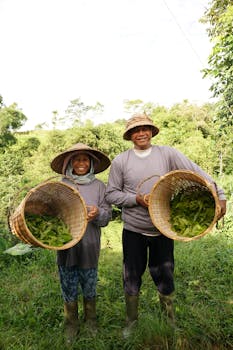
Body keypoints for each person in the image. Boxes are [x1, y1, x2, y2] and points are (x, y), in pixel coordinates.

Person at [105, 113, 227, 337]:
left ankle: (169, 320)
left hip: (163, 228)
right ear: (130, 135)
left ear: (151, 131)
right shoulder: (121, 161)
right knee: (131, 276)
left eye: (145, 128)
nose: (141, 133)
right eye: (136, 130)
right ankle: (131, 322)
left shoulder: (167, 154)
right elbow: (111, 194)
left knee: (165, 274)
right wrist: (136, 199)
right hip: (133, 229)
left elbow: (196, 171)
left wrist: (220, 195)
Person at [50, 143, 112, 344]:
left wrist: (97, 213)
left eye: (85, 159)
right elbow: (52, 215)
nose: (81, 163)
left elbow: (106, 217)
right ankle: (71, 323)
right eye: (76, 159)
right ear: (69, 163)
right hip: (67, 245)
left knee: (89, 284)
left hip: (89, 244)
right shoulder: (62, 185)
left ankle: (91, 320)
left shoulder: (99, 186)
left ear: (92, 163)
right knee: (68, 284)